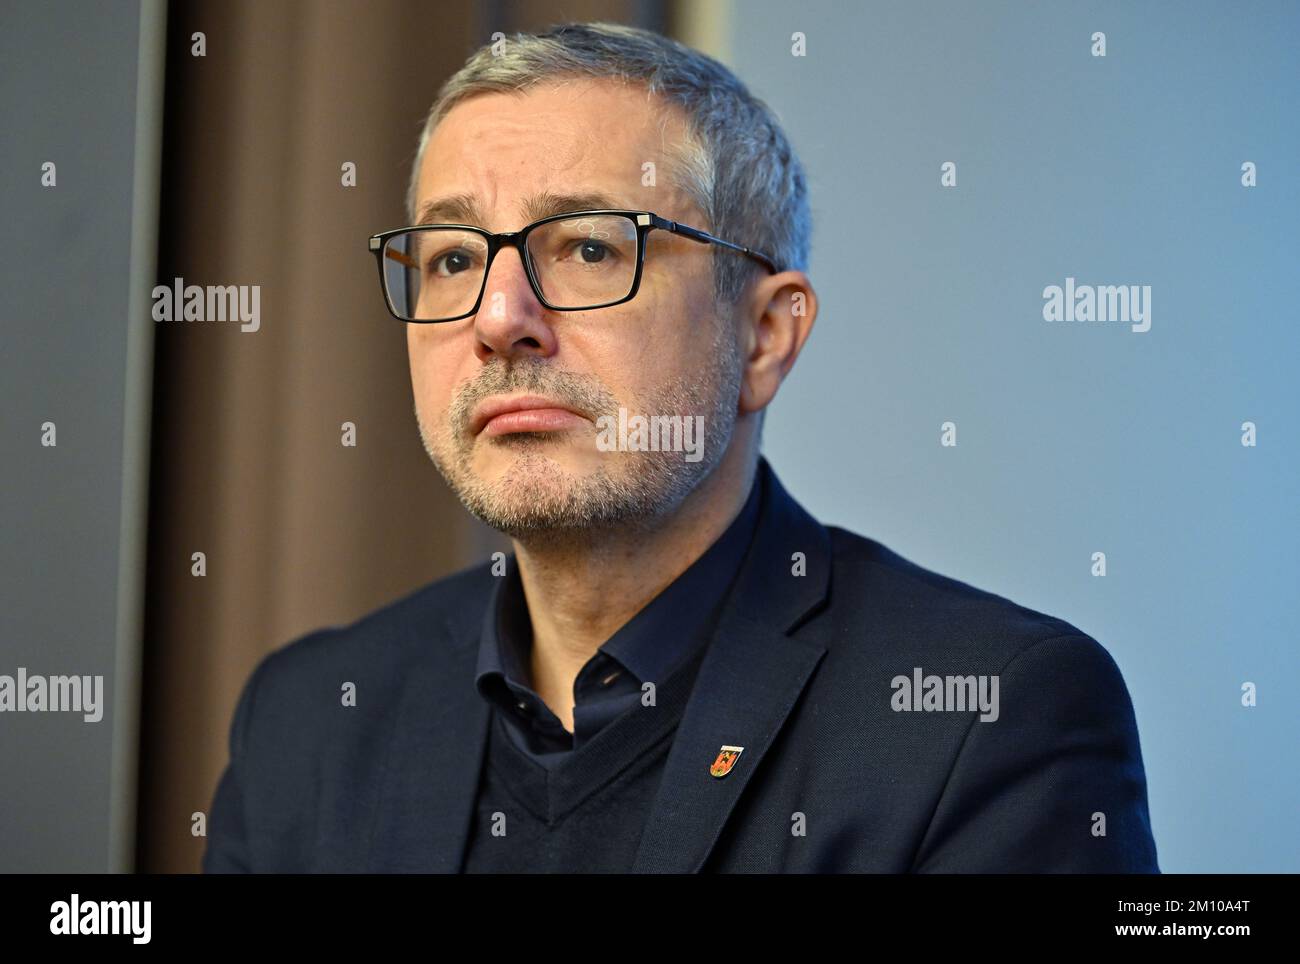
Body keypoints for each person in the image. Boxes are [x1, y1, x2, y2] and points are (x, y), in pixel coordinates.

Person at [202, 21, 1158, 873]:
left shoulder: (985, 720)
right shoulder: (309, 719)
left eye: (588, 248)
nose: (499, 318)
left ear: (764, 336)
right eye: (454, 258)